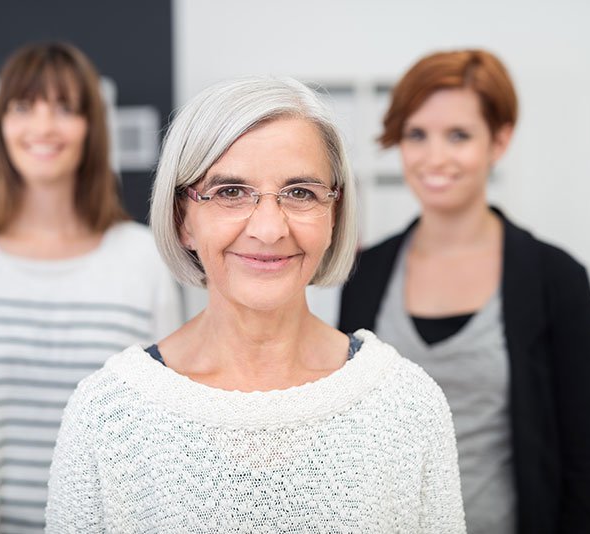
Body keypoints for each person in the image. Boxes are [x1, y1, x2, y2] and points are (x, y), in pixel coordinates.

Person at [45, 76, 466, 532]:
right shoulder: (108, 414)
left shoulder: (407, 405)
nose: (269, 229)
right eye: (230, 192)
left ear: (334, 217)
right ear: (182, 218)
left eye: (300, 193)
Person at [0, 42, 182, 533]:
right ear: (0, 125)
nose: (43, 127)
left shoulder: (143, 260)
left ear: (92, 127)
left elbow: (164, 424)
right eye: (24, 106)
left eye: (66, 108)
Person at [339, 49, 590, 534]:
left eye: (459, 136)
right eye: (416, 134)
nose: (434, 158)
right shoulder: (366, 271)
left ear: (499, 140)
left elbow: (587, 457)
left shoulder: (556, 277)